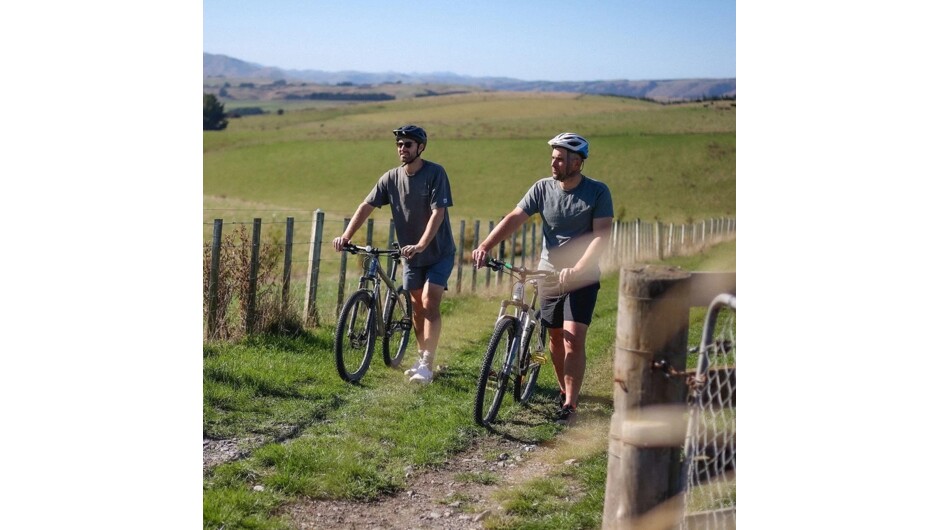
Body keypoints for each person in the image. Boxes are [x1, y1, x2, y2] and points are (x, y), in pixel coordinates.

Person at [471, 132, 613, 424]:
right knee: (555, 338)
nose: (554, 164)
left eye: (560, 159)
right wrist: (485, 246)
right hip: (548, 274)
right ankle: (565, 391)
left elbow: (601, 237)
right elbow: (514, 217)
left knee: (573, 338)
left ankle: (571, 405)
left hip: (581, 277)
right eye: (553, 158)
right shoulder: (542, 189)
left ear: (577, 163)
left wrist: (580, 267)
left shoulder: (598, 192)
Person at [332, 125, 456, 384]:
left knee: (429, 301)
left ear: (420, 148)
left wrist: (421, 244)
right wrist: (347, 235)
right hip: (410, 254)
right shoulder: (390, 178)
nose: (402, 149)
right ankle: (422, 356)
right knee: (415, 307)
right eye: (399, 145)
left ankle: (427, 365)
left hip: (438, 251)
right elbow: (366, 205)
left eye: (408, 144)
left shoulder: (435, 173)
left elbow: (438, 214)